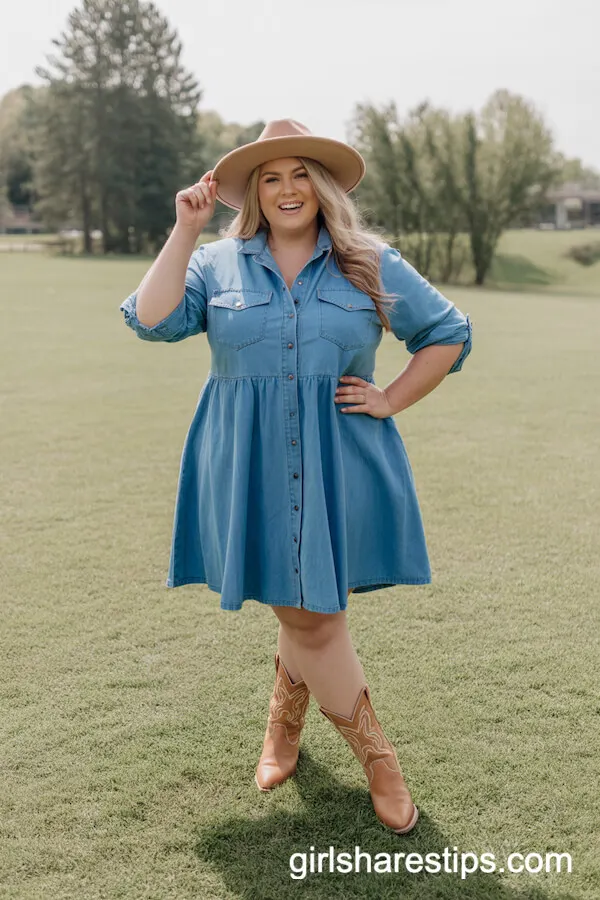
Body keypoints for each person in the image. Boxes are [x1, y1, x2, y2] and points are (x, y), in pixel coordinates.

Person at [119, 118, 473, 835]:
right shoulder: (217, 263)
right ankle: (343, 749)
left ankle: (325, 743)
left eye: (301, 173)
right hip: (246, 461)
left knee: (311, 610)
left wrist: (389, 396)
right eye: (271, 177)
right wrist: (185, 229)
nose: (287, 189)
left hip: (340, 461)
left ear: (324, 185)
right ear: (253, 192)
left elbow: (448, 333)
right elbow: (151, 320)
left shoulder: (369, 261)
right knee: (307, 608)